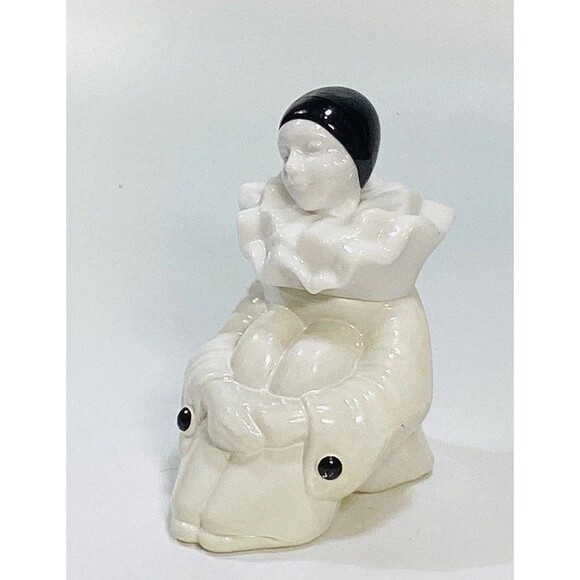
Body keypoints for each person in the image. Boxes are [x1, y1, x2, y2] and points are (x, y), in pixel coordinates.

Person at [171, 87, 453, 552]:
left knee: (316, 356)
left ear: (356, 162)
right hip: (243, 425)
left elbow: (399, 387)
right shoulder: (280, 263)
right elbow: (232, 334)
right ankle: (225, 480)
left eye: (313, 150)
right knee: (264, 338)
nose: (292, 168)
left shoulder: (386, 284)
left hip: (312, 439)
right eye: (286, 153)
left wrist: (298, 420)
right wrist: (215, 388)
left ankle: (276, 500)